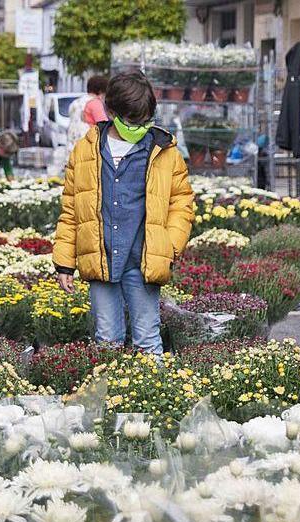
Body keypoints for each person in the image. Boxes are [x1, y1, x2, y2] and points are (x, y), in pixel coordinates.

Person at [53, 72, 193, 354]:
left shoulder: (163, 150)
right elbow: (71, 208)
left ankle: (152, 395)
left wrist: (170, 245)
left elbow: (182, 203)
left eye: (145, 122)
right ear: (111, 111)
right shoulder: (85, 151)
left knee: (147, 338)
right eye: (132, 122)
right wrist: (64, 262)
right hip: (100, 256)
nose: (139, 127)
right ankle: (110, 397)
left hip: (143, 261)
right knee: (106, 339)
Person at [66, 75, 108, 148]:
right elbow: (104, 126)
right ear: (101, 92)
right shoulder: (95, 103)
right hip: (87, 146)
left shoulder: (75, 102)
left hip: (72, 144)